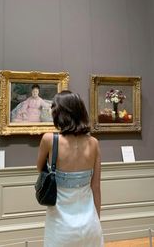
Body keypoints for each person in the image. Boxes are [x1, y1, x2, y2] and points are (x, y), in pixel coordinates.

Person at [37, 90, 104, 247]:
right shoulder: (93, 143)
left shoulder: (49, 140)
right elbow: (96, 187)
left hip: (60, 225)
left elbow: (39, 168)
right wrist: (97, 219)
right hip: (90, 223)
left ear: (60, 113)